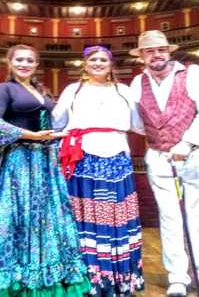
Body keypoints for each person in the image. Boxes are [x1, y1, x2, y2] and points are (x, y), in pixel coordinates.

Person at [0, 44, 91, 297]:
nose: (25, 64)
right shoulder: (5, 89)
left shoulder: (39, 90)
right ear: (10, 63)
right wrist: (31, 135)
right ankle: (10, 282)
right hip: (18, 161)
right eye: (19, 60)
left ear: (36, 65)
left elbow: (48, 121)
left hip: (44, 163)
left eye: (30, 60)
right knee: (13, 218)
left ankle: (42, 281)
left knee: (44, 220)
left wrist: (54, 136)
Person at [129, 30, 199, 297]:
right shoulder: (138, 83)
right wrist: (159, 138)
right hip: (159, 158)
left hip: (197, 155)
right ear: (142, 57)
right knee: (169, 217)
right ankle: (177, 277)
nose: (156, 55)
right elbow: (137, 123)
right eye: (149, 51)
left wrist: (187, 142)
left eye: (161, 50)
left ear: (169, 52)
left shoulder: (194, 74)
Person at [53, 45, 145, 296]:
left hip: (117, 157)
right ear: (84, 64)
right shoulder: (73, 90)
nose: (97, 63)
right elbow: (56, 121)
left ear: (110, 64)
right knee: (84, 217)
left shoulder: (124, 91)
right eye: (92, 59)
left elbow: (139, 124)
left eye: (103, 59)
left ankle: (116, 278)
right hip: (82, 160)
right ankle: (84, 278)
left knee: (116, 217)